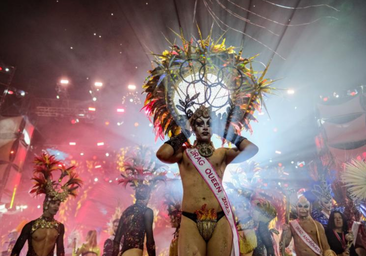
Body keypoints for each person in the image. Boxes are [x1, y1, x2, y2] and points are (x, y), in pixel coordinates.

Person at [156, 105, 259, 256]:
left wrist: (224, 132)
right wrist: (185, 134)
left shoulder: (222, 154)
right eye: (199, 123)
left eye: (209, 124)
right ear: (193, 128)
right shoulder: (184, 154)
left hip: (220, 219)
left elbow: (252, 149)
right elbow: (162, 154)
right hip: (190, 219)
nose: (205, 127)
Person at [11, 153, 82, 256]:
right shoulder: (30, 226)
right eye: (54, 203)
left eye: (58, 204)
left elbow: (60, 251)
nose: (57, 207)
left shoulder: (59, 227)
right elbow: (16, 251)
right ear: (46, 204)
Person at [112, 185, 156, 256]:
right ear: (148, 196)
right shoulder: (147, 212)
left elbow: (117, 240)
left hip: (124, 253)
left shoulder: (126, 212)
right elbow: (149, 240)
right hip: (135, 252)